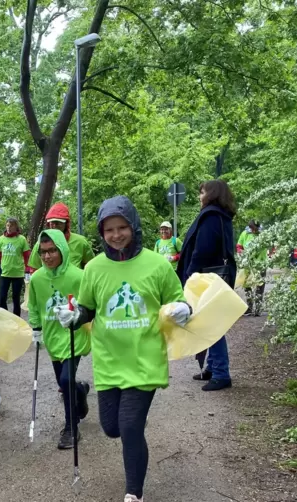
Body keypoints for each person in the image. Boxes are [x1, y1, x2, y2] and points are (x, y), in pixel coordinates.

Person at [55, 196, 190, 502]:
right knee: (111, 428)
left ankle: (134, 493)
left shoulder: (156, 264)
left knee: (129, 427)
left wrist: (183, 308)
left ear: (134, 227)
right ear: (102, 233)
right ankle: (117, 412)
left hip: (145, 358)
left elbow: (178, 298)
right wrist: (75, 317)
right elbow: (88, 307)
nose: (116, 235)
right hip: (109, 360)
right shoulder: (95, 268)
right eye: (109, 230)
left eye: (122, 227)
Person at [27, 230, 91, 450]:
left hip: (75, 335)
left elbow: (89, 304)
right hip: (52, 336)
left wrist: (78, 314)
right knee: (65, 383)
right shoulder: (36, 278)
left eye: (52, 250)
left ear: (62, 249)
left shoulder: (78, 276)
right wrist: (35, 328)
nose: (47, 256)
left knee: (65, 381)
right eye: (43, 252)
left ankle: (71, 428)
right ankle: (80, 390)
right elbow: (33, 305)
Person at [176, 180, 237, 391]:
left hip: (205, 278)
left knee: (211, 325)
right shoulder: (222, 216)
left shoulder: (211, 216)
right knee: (209, 322)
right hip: (217, 277)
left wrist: (189, 274)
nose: (199, 196)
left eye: (201, 192)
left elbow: (202, 250)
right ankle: (212, 367)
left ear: (211, 193)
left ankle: (221, 373)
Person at [27, 202, 95, 271]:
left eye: (58, 223)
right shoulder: (40, 244)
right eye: (52, 223)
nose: (54, 226)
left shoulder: (80, 242)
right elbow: (34, 269)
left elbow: (91, 265)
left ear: (66, 223)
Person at [0, 218, 31, 316]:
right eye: (7, 225)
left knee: (16, 298)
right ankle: (5, 318)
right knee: (2, 298)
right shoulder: (1, 239)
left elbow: (26, 255)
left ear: (16, 227)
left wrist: (28, 269)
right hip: (4, 272)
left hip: (18, 273)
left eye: (11, 225)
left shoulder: (21, 239)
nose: (9, 228)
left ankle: (17, 319)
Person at [237, 220, 265, 317]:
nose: (253, 231)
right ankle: (249, 307)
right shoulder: (245, 234)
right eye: (252, 229)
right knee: (246, 285)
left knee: (259, 286)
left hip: (260, 263)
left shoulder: (263, 235)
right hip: (248, 264)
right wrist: (241, 253)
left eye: (255, 229)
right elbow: (239, 246)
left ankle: (257, 308)